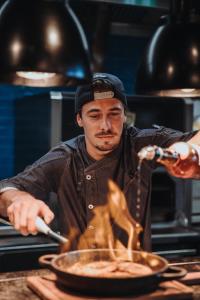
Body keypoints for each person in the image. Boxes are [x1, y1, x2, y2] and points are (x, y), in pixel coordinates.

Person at [0, 72, 200, 251]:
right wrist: (18, 200)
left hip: (136, 271)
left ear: (124, 116)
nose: (106, 125)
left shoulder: (142, 145)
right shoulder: (64, 158)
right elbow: (8, 189)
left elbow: (195, 139)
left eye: (114, 113)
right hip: (78, 271)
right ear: (80, 119)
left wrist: (188, 150)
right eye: (94, 115)